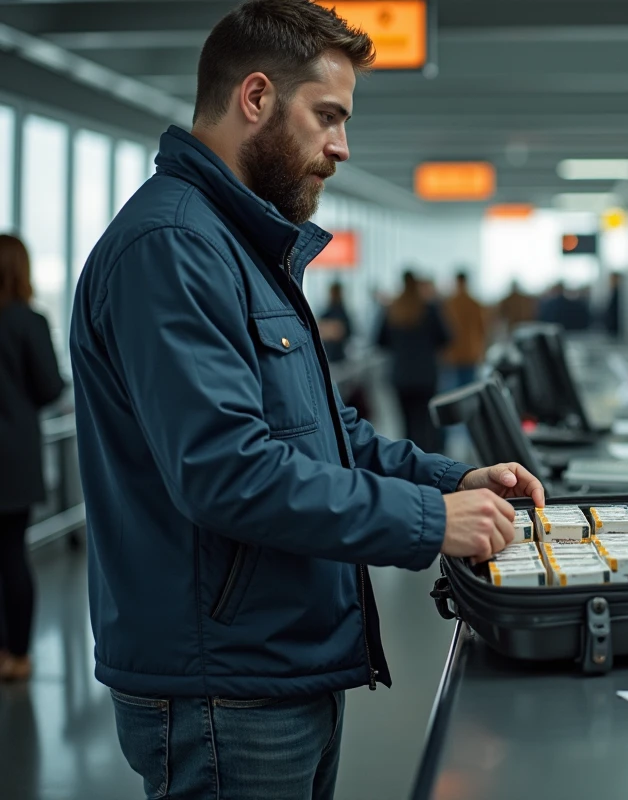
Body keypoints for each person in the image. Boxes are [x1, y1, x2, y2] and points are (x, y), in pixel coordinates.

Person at [68, 3, 543, 798]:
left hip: (275, 666)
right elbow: (226, 471)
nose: (342, 147)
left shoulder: (240, 246)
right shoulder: (174, 247)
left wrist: (450, 482)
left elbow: (323, 433)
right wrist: (432, 525)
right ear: (255, 97)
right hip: (224, 684)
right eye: (327, 116)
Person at [0, 234, 64, 683]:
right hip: (13, 457)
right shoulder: (29, 321)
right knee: (11, 554)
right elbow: (49, 388)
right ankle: (17, 656)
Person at [378, 271, 449, 453]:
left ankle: (410, 460)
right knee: (426, 423)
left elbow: (379, 340)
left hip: (401, 375)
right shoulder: (429, 308)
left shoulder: (392, 309)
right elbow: (445, 337)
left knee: (407, 424)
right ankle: (429, 464)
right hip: (426, 375)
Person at [441, 271, 487, 389]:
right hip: (469, 351)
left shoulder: (449, 303)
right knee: (468, 388)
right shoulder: (474, 303)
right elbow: (482, 329)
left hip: (453, 352)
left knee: (453, 389)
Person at [317, 280, 352, 362]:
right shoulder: (328, 312)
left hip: (337, 355)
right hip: (329, 355)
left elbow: (346, 332)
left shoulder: (341, 313)